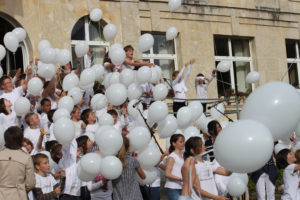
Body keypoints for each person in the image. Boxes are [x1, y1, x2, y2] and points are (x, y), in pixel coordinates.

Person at [0, 126, 35, 200]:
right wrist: (21, 187)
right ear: (21, 140)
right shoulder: (25, 157)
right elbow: (30, 183)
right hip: (18, 194)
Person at [165, 134, 185, 200]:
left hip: (182, 186)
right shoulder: (172, 157)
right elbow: (167, 174)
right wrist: (180, 179)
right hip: (172, 187)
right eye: (181, 142)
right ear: (174, 143)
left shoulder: (183, 156)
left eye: (183, 141)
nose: (183, 143)